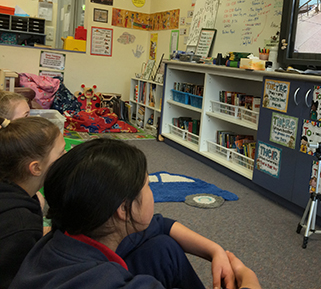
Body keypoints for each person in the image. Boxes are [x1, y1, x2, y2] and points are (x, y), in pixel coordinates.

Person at [11, 139, 260, 289]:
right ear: (123, 209)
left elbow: (160, 226)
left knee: (163, 248)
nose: (151, 191)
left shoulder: (70, 232)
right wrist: (250, 282)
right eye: (148, 185)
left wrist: (215, 251)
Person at [0, 117, 66, 289]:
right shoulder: (20, 224)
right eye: (61, 153)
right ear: (36, 168)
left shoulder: (17, 196)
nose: (67, 157)